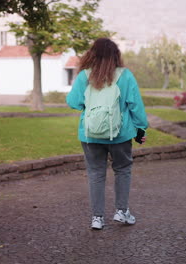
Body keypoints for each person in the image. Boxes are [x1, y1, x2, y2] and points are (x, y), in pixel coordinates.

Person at [66, 38, 148, 230]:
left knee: (95, 173)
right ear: (116, 55)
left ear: (92, 54)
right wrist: (141, 128)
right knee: (122, 170)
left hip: (90, 135)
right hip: (120, 133)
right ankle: (121, 212)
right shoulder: (125, 76)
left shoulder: (84, 76)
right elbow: (135, 105)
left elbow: (73, 102)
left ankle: (97, 218)